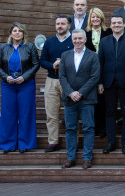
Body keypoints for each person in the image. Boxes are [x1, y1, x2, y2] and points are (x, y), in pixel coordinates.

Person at [0, 22, 39, 153]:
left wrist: (24, 77)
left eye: (20, 31)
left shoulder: (30, 47)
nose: (17, 33)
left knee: (26, 113)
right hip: (8, 85)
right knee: (8, 114)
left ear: (23, 33)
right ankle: (7, 144)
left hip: (26, 85)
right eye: (15, 31)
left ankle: (25, 143)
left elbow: (36, 65)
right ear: (10, 34)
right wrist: (5, 77)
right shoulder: (3, 48)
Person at [59, 29, 100, 169]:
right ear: (72, 40)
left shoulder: (93, 56)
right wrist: (70, 92)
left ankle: (87, 158)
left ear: (85, 40)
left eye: (80, 38)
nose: (77, 41)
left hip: (87, 98)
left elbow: (95, 77)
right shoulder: (65, 55)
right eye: (75, 38)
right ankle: (70, 158)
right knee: (70, 129)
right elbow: (62, 76)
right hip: (70, 99)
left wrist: (80, 93)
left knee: (88, 128)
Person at [98, 15, 125, 154]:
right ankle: (111, 143)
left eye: (119, 23)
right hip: (108, 82)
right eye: (114, 23)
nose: (116, 25)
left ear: (123, 25)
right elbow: (100, 63)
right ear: (110, 25)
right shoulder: (104, 41)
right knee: (110, 112)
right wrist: (100, 82)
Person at [39, 15, 74, 152]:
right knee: (51, 113)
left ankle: (72, 142)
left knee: (71, 113)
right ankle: (53, 142)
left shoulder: (74, 40)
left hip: (70, 81)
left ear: (69, 25)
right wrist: (53, 65)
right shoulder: (49, 42)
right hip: (52, 80)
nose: (60, 26)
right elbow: (42, 61)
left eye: (63, 24)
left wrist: (63, 63)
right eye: (57, 24)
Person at [85, 7, 112, 138]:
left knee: (104, 100)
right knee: (92, 100)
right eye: (93, 17)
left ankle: (103, 128)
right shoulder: (85, 33)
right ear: (90, 19)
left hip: (105, 69)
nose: (95, 19)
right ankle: (93, 127)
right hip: (89, 70)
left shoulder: (109, 32)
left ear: (101, 18)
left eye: (97, 17)